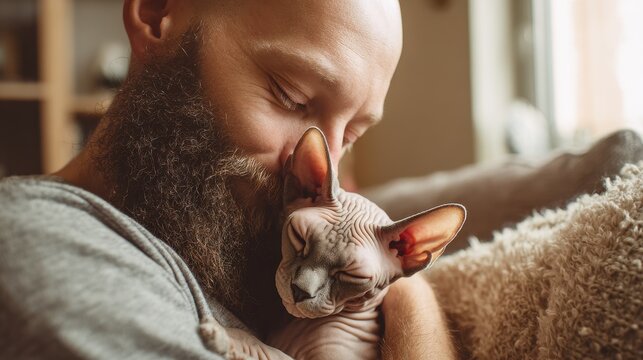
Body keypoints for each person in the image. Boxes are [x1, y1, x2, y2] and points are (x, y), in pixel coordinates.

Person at [0, 0, 455, 358]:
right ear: (157, 13)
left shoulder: (264, 248)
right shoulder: (38, 242)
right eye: (290, 97)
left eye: (351, 135)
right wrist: (404, 299)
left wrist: (390, 271)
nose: (322, 170)